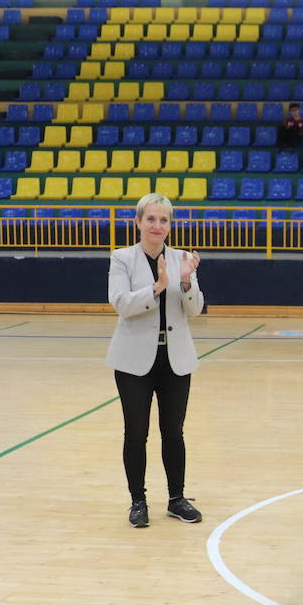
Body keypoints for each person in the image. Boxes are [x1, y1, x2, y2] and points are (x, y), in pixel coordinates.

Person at [105, 193, 205, 529]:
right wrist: (159, 287)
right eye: (151, 219)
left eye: (164, 220)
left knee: (173, 432)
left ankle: (177, 499)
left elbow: (194, 309)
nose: (157, 226)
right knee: (136, 433)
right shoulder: (122, 259)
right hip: (133, 362)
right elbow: (121, 304)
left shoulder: (183, 259)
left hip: (175, 359)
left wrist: (186, 281)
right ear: (138, 222)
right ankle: (138, 502)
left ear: (170, 225)